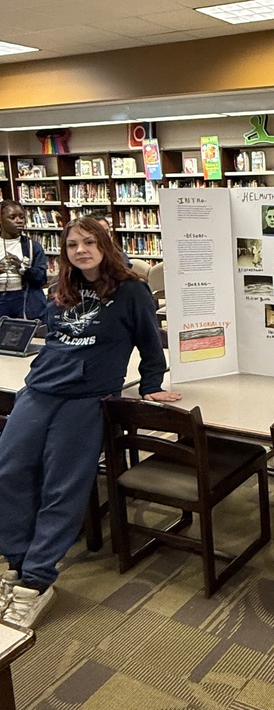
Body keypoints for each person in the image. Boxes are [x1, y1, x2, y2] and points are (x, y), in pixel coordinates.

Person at [0, 217, 181, 629]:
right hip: (40, 391)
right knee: (8, 471)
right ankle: (15, 562)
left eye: (88, 242)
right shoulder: (60, 290)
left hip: (86, 400)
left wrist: (151, 384)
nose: (80, 250)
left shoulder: (133, 291)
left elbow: (150, 343)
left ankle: (37, 580)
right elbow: (57, 339)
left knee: (63, 486)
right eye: (72, 245)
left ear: (105, 244)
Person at [0, 199, 47, 319]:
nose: (19, 221)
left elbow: (41, 278)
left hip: (25, 301)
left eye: (22, 217)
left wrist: (22, 268)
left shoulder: (32, 246)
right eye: (12, 217)